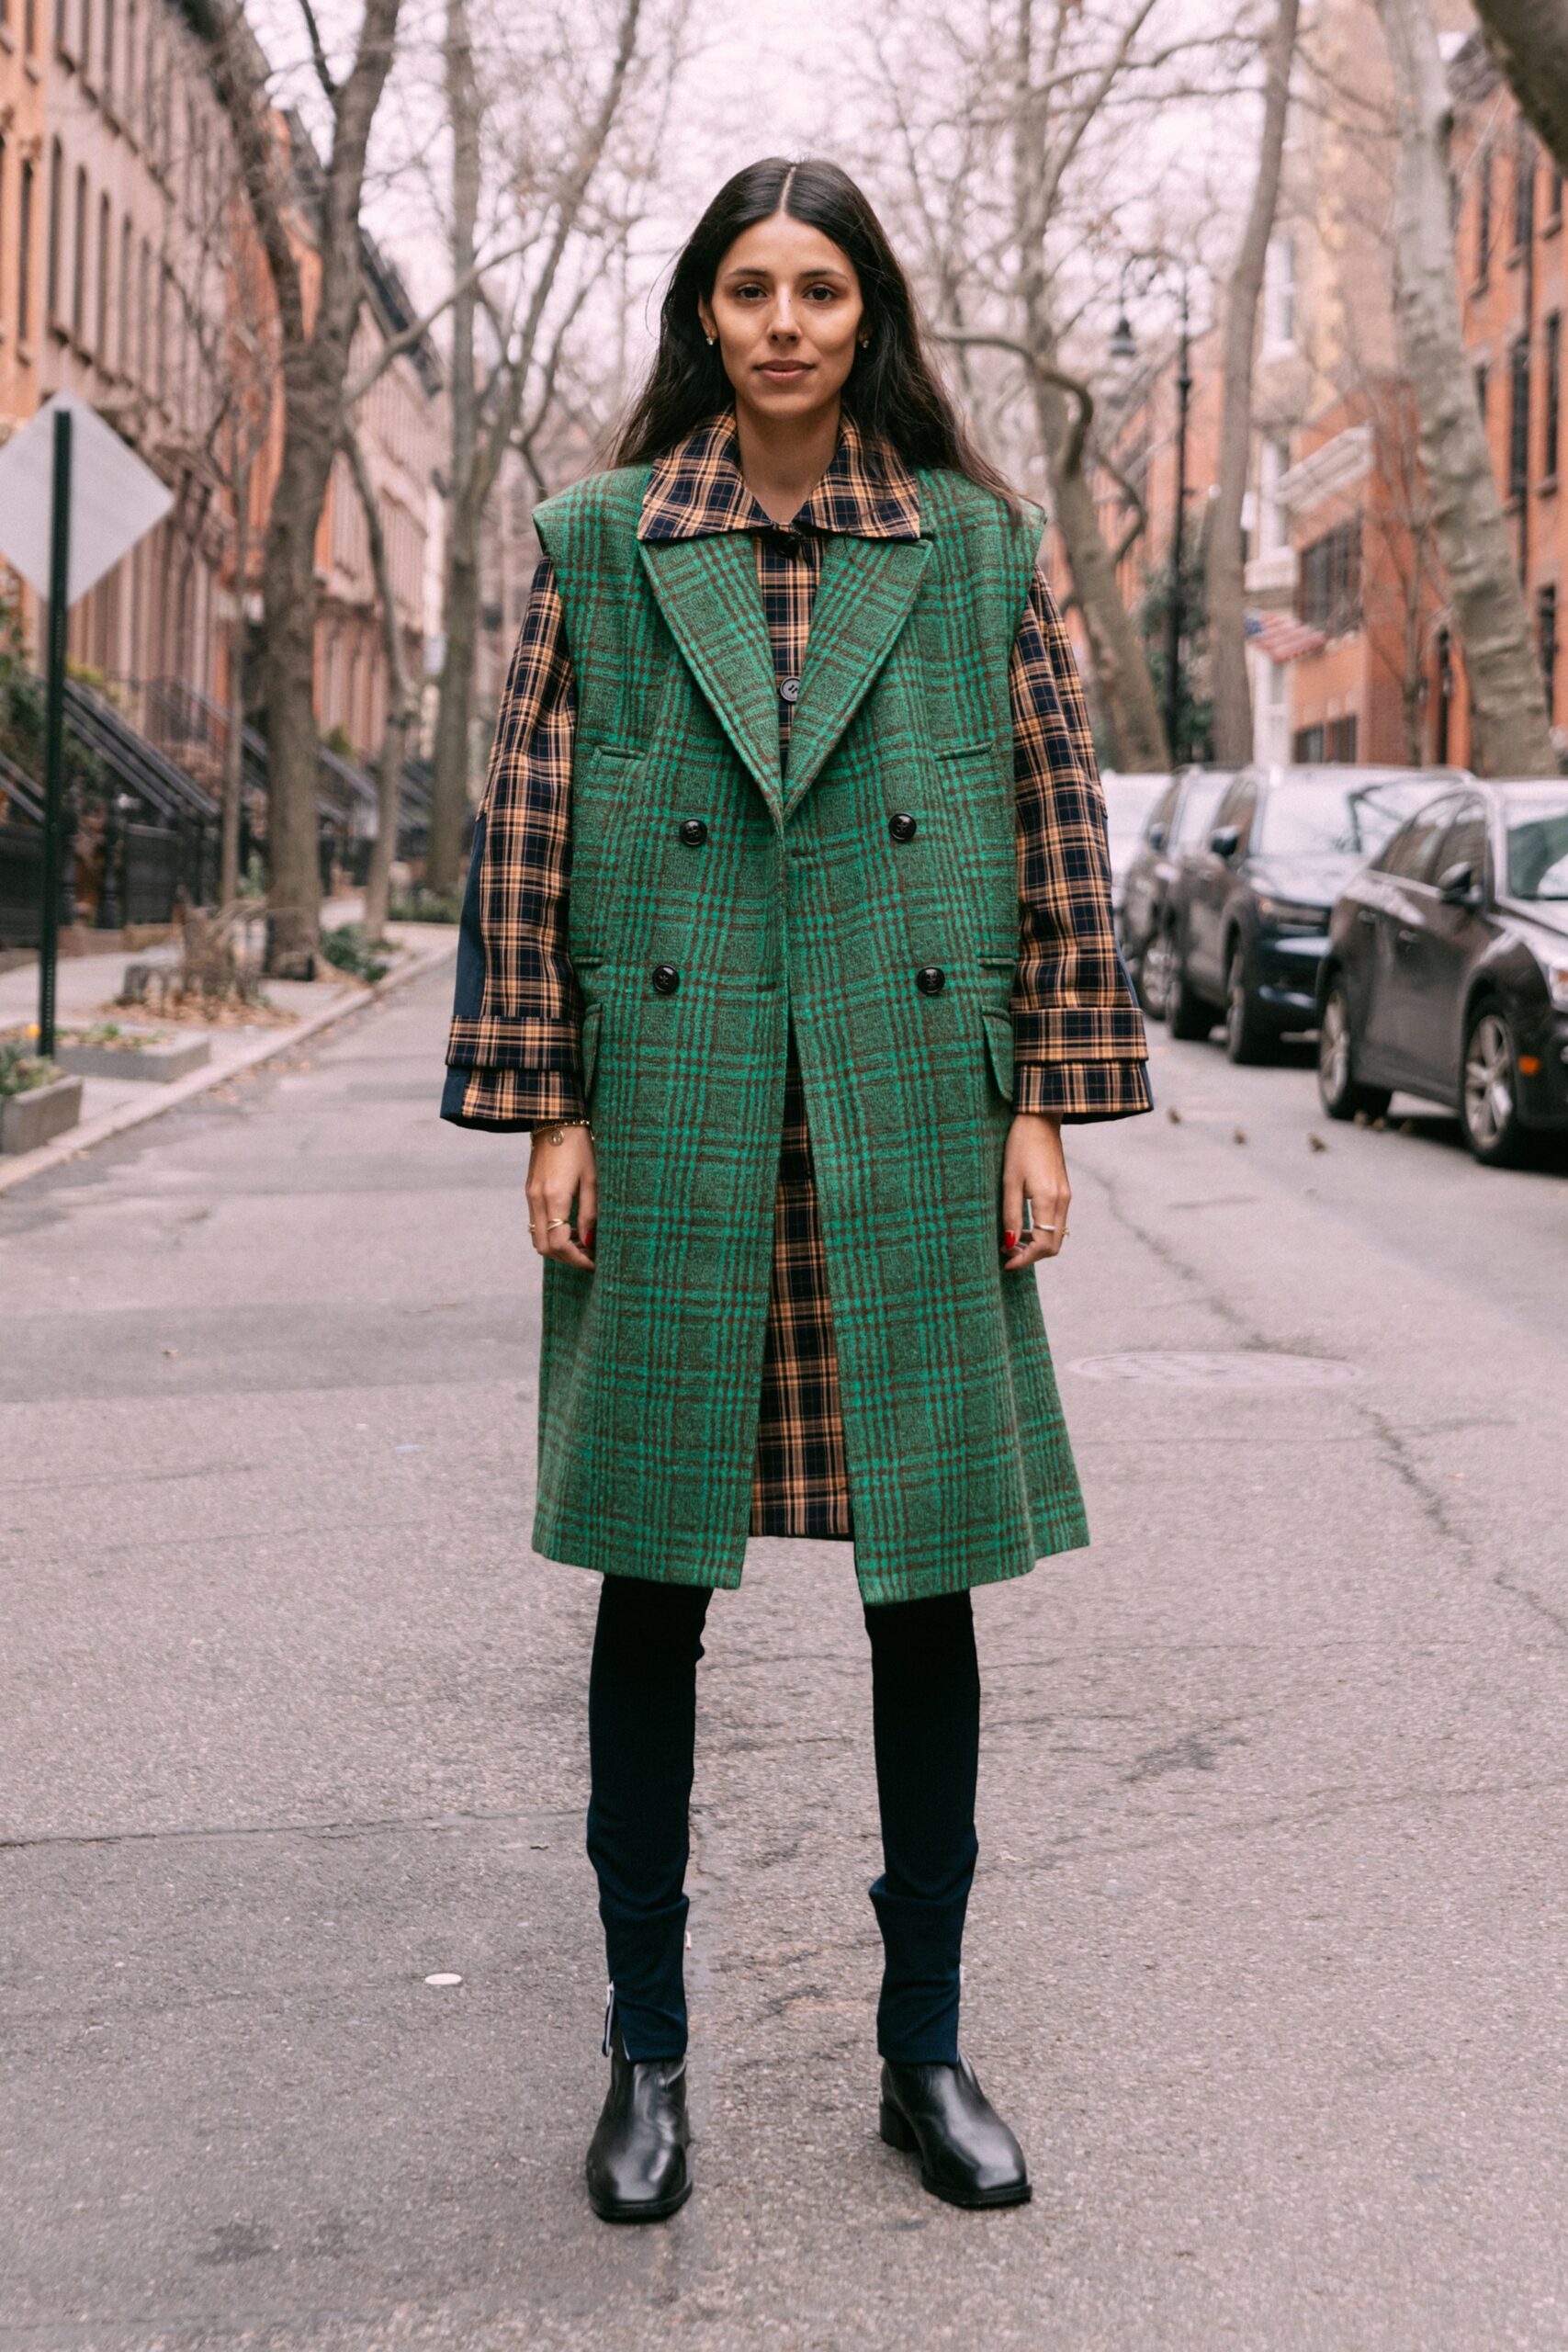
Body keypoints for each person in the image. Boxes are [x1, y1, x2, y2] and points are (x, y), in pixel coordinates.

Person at [442, 154, 1152, 2222]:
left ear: (866, 317)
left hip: (906, 1101)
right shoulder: (599, 542)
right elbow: (522, 832)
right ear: (703, 313)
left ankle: (920, 2047)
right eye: (746, 286)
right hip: (673, 1102)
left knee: (921, 1580)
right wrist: (547, 1100)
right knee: (647, 1582)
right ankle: (642, 2050)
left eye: (816, 288)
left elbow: (1049, 823)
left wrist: (1042, 1097)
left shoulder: (970, 545)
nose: (779, 321)